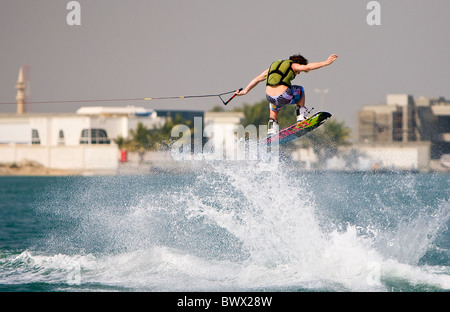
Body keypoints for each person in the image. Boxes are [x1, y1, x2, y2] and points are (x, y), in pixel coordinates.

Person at [235, 53, 338, 134]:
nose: (297, 74)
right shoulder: (293, 65)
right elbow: (307, 67)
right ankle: (301, 119)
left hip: (270, 97)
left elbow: (257, 79)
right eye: (298, 72)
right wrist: (326, 62)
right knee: (300, 90)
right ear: (298, 64)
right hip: (284, 96)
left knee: (274, 102)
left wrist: (245, 91)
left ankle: (272, 128)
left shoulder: (273, 67)